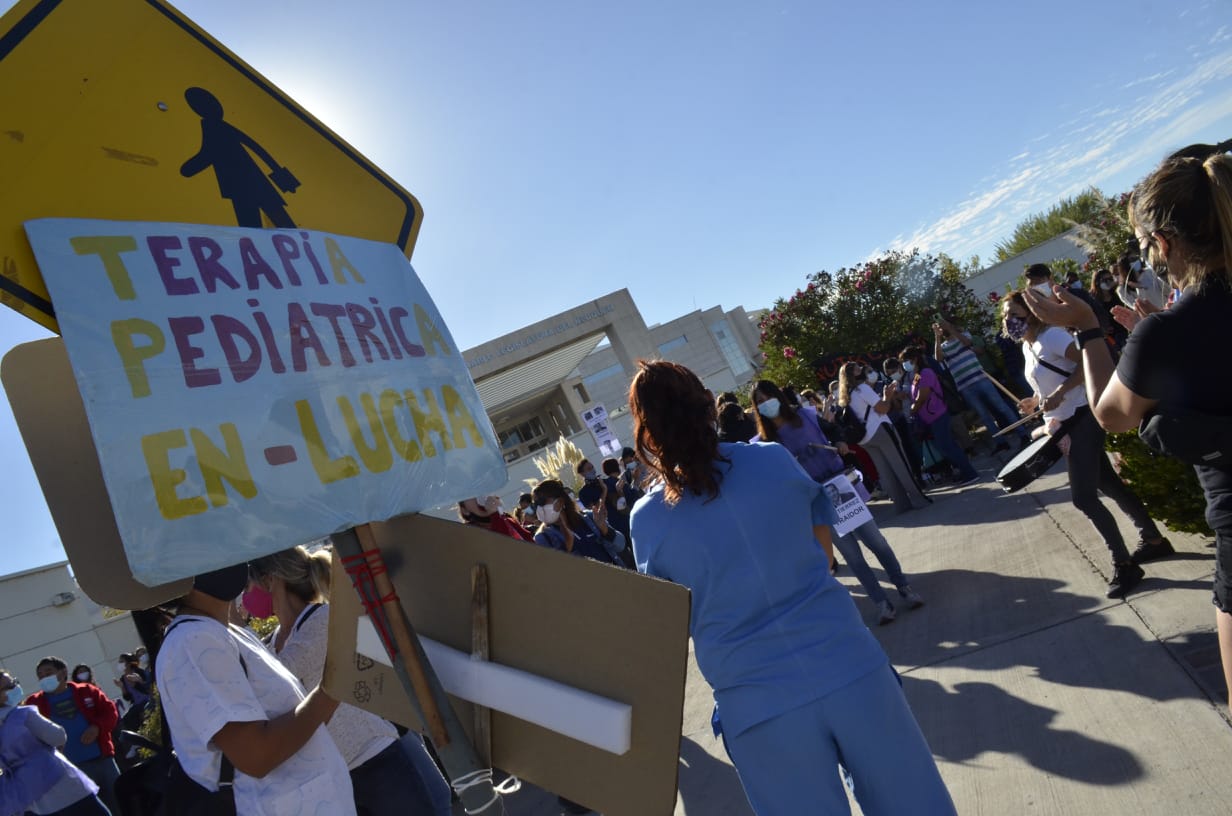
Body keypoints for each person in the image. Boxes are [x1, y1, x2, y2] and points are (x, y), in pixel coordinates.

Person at [627, 360, 955, 815]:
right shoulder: (772, 460)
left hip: (757, 703)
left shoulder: (647, 520)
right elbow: (824, 556)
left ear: (646, 430)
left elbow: (670, 622)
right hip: (847, 662)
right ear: (708, 405)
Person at [1022, 146, 1231, 706]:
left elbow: (1112, 415)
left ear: (1163, 244)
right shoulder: (1168, 333)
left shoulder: (1168, 335)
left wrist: (1092, 328)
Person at [246, 548, 449, 816]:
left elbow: (281, 675)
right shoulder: (273, 643)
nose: (245, 597)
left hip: (377, 761)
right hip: (339, 776)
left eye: (248, 586)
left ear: (271, 580)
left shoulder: (323, 621)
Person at [142, 562, 357, 815]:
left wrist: (334, 688)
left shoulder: (226, 631)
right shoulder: (193, 642)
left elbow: (300, 720)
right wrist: (332, 688)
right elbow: (256, 756)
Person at [1003, 290, 1170, 598]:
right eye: (1005, 316)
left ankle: (1125, 565)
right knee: (1109, 484)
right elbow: (1050, 382)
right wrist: (1036, 401)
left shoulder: (1051, 336)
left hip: (1082, 417)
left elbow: (1087, 363)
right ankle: (1154, 540)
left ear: (1032, 313)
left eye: (1014, 314)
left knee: (1083, 497)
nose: (1009, 321)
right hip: (1066, 420)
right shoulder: (1029, 346)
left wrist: (1062, 393)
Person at [757, 373, 925, 624]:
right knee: (852, 557)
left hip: (840, 486)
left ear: (778, 397)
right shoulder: (766, 442)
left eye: (767, 397)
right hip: (816, 500)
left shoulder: (806, 416)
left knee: (876, 541)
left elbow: (836, 430)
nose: (765, 404)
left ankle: (904, 588)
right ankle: (882, 603)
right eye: (759, 401)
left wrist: (840, 443)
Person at [1, 669, 111, 816]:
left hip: (28, 795)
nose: (15, 687)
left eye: (14, 682)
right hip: (62, 784)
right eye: (9, 686)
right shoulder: (22, 715)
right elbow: (58, 737)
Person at [25, 657, 120, 814]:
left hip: (103, 761)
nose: (44, 678)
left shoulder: (87, 691)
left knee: (120, 800)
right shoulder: (34, 703)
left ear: (63, 673)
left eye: (48, 672)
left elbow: (110, 713)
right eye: (40, 675)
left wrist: (97, 727)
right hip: (70, 771)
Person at [838, 363, 931, 513]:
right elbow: (882, 408)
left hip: (865, 439)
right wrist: (887, 396)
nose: (860, 369)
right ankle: (918, 499)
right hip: (880, 430)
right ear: (853, 374)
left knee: (885, 471)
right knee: (900, 464)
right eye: (857, 368)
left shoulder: (845, 397)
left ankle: (901, 505)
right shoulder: (863, 388)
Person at [933, 318, 1030, 452]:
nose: (943, 329)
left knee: (1001, 407)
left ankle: (1023, 434)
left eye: (945, 326)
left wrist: (951, 329)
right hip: (965, 386)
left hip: (981, 379)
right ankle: (1001, 442)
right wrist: (937, 337)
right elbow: (938, 359)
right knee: (984, 416)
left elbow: (967, 343)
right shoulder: (943, 346)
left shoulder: (964, 335)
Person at [899, 346, 981, 486]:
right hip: (930, 418)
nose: (904, 364)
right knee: (946, 447)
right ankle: (965, 470)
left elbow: (922, 396)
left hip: (937, 414)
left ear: (915, 359)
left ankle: (970, 472)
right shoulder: (917, 375)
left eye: (906, 360)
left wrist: (913, 408)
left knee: (948, 446)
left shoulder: (925, 373)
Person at [530, 479, 627, 566]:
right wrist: (569, 546)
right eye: (535, 504)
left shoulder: (588, 518)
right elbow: (555, 573)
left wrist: (604, 528)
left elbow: (621, 545)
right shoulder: (543, 538)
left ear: (560, 501)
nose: (539, 508)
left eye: (542, 502)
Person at [457, 496, 535, 541]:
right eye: (470, 495)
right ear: (465, 510)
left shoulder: (508, 521)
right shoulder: (466, 534)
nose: (477, 496)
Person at [1089, 268, 1130, 352]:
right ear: (1097, 282)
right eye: (1104, 280)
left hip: (1127, 329)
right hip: (1113, 337)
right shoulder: (1094, 301)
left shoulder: (1117, 294)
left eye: (1110, 279)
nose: (1108, 282)